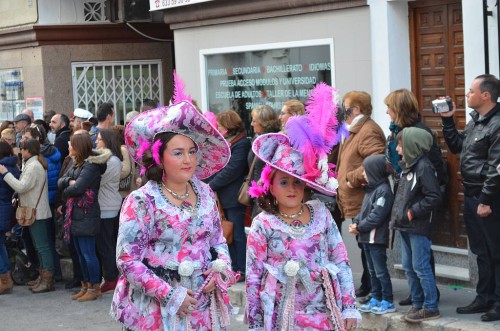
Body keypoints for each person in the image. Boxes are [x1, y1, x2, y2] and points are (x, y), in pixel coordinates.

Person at [111, 100, 238, 330]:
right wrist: (169, 295)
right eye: (178, 153)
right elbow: (127, 260)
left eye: (191, 152)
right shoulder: (142, 200)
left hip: (202, 307)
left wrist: (220, 269)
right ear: (160, 157)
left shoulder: (205, 191)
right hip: (156, 311)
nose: (188, 160)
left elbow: (218, 241)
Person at [245, 133, 360, 330]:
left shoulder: (321, 214)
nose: (292, 188)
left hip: (324, 312)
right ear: (271, 186)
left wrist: (349, 307)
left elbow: (341, 260)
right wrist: (255, 324)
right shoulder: (263, 223)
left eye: (297, 181)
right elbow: (254, 276)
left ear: (305, 184)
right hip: (282, 316)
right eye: (283, 182)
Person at [441, 74, 500, 322]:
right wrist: (448, 120)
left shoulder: (497, 124)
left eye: (471, 91)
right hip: (472, 195)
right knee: (481, 250)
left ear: (485, 95)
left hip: (490, 199)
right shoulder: (476, 121)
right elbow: (457, 147)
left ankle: (497, 302)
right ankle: (484, 297)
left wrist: (486, 200)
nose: (467, 95)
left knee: (496, 251)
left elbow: (496, 167)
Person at [384, 88, 445, 306]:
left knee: (421, 257)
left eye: (389, 107)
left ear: (399, 108)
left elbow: (434, 171)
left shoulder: (417, 134)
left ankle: (429, 299)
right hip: (404, 196)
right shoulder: (396, 131)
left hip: (418, 200)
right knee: (411, 262)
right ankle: (417, 296)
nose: (387, 112)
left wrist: (413, 207)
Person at [336, 91, 386, 300]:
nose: (342, 110)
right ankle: (369, 285)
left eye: (345, 106)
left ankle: (372, 288)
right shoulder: (353, 129)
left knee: (366, 244)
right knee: (362, 244)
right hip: (355, 198)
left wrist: (350, 178)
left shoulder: (368, 131)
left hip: (362, 198)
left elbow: (377, 161)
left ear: (355, 109)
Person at [390, 127, 442, 323]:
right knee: (409, 267)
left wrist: (412, 212)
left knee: (420, 266)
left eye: (401, 145)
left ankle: (430, 307)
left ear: (413, 145)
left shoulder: (424, 167)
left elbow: (433, 196)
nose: (398, 149)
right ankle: (418, 303)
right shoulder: (408, 166)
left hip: (418, 226)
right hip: (405, 225)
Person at [58, 132, 107, 302]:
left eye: (71, 144)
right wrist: (69, 183)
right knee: (80, 254)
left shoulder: (91, 166)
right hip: (75, 215)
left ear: (78, 147)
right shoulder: (77, 164)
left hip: (86, 214)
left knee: (88, 254)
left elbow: (78, 189)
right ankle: (85, 285)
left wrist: (69, 186)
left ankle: (94, 288)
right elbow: (61, 181)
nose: (69, 147)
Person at [0, 138, 53, 293]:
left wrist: (5, 174)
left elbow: (21, 186)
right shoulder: (32, 164)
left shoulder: (34, 166)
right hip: (33, 211)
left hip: (37, 213)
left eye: (22, 149)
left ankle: (47, 280)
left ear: (28, 150)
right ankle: (43, 277)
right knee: (39, 246)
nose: (20, 151)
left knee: (42, 247)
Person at [208, 110, 251, 281]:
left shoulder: (241, 144)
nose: (218, 127)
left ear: (228, 125)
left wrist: (210, 185)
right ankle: (233, 267)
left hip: (233, 197)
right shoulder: (226, 142)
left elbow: (231, 170)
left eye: (220, 124)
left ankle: (242, 268)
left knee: (238, 234)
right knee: (228, 235)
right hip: (223, 196)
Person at [349, 155, 395, 315]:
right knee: (372, 270)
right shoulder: (371, 189)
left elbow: (377, 215)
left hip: (376, 238)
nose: (363, 174)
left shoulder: (384, 191)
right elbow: (364, 211)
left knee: (380, 270)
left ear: (375, 172)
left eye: (366, 171)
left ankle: (388, 300)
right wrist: (356, 222)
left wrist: (359, 227)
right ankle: (376, 296)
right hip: (366, 237)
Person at [23, 124, 63, 281]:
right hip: (47, 200)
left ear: (37, 139)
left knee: (44, 242)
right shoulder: (48, 155)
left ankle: (51, 275)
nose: (23, 143)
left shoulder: (39, 160)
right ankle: (48, 274)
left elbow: (31, 184)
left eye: (27, 139)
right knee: (45, 241)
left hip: (44, 201)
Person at [95, 129, 122, 293]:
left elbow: (98, 180)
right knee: (104, 244)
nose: (96, 142)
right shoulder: (106, 158)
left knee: (106, 244)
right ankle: (110, 276)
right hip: (104, 204)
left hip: (107, 206)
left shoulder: (112, 160)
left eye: (99, 139)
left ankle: (111, 277)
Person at [247, 105, 281, 217]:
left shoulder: (274, 141)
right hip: (258, 193)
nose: (251, 124)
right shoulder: (259, 139)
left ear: (263, 122)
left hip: (268, 195)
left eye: (254, 121)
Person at [0, 141, 20, 295]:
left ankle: (5, 279)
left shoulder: (3, 168)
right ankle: (5, 278)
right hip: (5, 209)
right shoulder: (13, 166)